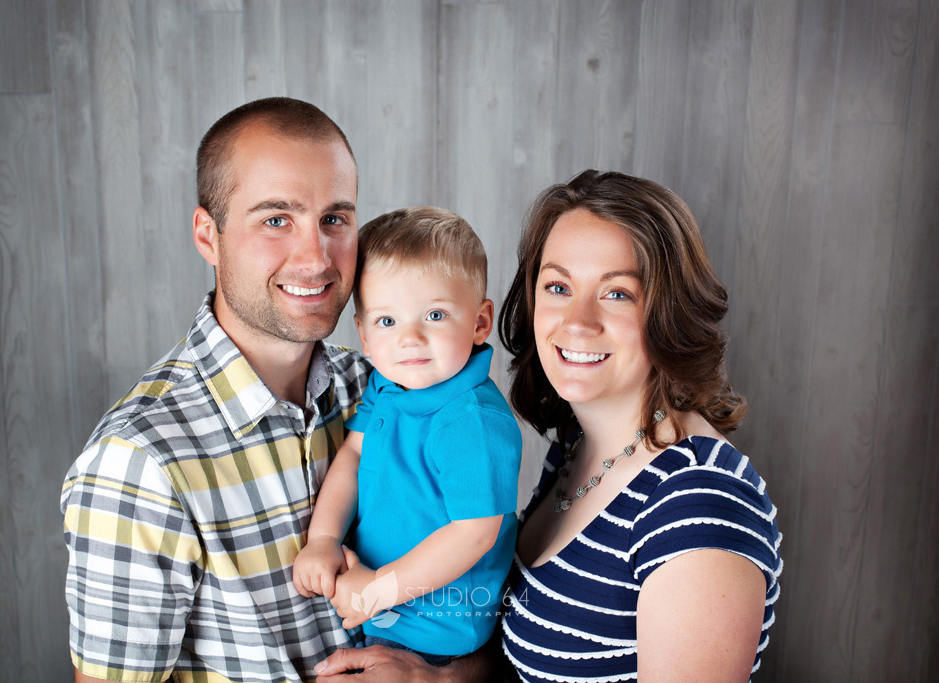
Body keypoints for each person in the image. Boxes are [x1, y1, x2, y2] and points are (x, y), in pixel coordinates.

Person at [61, 98, 488, 683]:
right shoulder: (140, 461)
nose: (316, 258)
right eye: (275, 219)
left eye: (335, 219)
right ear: (208, 236)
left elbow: (491, 600)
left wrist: (437, 679)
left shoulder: (385, 386)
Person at [494, 170, 783, 682]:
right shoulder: (575, 445)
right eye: (558, 286)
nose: (577, 321)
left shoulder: (701, 505)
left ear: (668, 313)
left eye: (618, 294)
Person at [292, 207, 522, 664]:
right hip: (372, 604)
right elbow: (355, 455)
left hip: (437, 628)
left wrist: (379, 590)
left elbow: (474, 533)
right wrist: (322, 538)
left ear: (479, 322)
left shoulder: (471, 419)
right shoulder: (387, 385)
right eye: (387, 321)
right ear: (362, 333)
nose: (409, 339)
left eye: (434, 315)